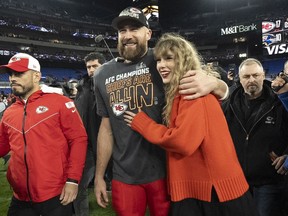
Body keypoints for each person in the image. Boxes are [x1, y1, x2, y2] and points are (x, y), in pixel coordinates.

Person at [94, 7, 229, 216]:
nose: (127, 35)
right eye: (122, 30)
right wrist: (99, 175)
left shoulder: (162, 60)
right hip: (124, 175)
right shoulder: (101, 74)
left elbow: (203, 80)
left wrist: (221, 86)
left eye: (134, 28)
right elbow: (106, 128)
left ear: (148, 33)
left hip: (166, 172)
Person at [123, 33, 258, 216]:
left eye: (169, 58)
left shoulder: (193, 91)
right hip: (203, 190)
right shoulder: (182, 91)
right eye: (159, 60)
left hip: (213, 194)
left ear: (184, 60)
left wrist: (143, 124)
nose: (161, 65)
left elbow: (182, 142)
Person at [0, 53, 88, 216]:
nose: (13, 78)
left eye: (19, 73)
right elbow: (2, 145)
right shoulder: (9, 112)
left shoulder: (60, 103)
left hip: (55, 195)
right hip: (20, 196)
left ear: (36, 76)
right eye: (11, 74)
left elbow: (79, 140)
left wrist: (73, 180)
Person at [222, 58, 288, 216]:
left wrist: (287, 154)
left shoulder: (279, 102)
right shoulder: (228, 104)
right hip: (237, 180)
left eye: (255, 75)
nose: (251, 80)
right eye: (246, 76)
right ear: (240, 78)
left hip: (268, 180)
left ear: (263, 75)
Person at [72, 52, 106, 216]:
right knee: (79, 185)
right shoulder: (83, 88)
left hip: (112, 143)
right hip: (89, 147)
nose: (91, 70)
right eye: (89, 67)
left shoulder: (111, 86)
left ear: (103, 66)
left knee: (126, 185)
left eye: (95, 66)